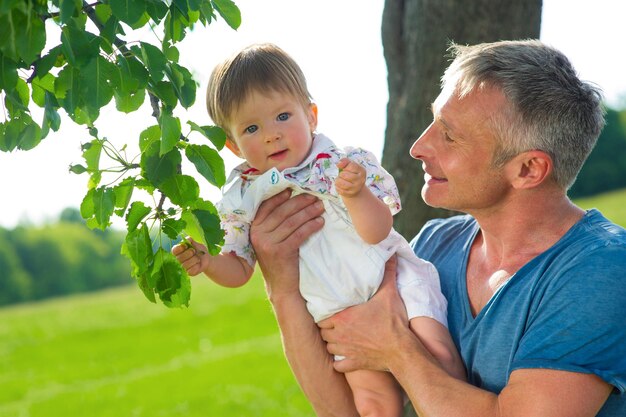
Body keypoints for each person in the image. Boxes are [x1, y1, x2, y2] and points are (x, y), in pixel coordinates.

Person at [249, 39, 626, 417]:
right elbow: (345, 410)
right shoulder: (432, 246)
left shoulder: (603, 271)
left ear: (527, 169)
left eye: (449, 135)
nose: (418, 146)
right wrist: (282, 287)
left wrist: (397, 349)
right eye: (433, 121)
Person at [171, 43, 465, 417]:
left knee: (436, 355)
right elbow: (239, 270)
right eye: (251, 127)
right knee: (373, 405)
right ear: (232, 144)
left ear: (311, 116)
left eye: (282, 116)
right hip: (338, 313)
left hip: (396, 280)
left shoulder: (343, 165)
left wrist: (356, 195)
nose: (271, 135)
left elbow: (377, 231)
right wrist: (208, 261)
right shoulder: (240, 199)